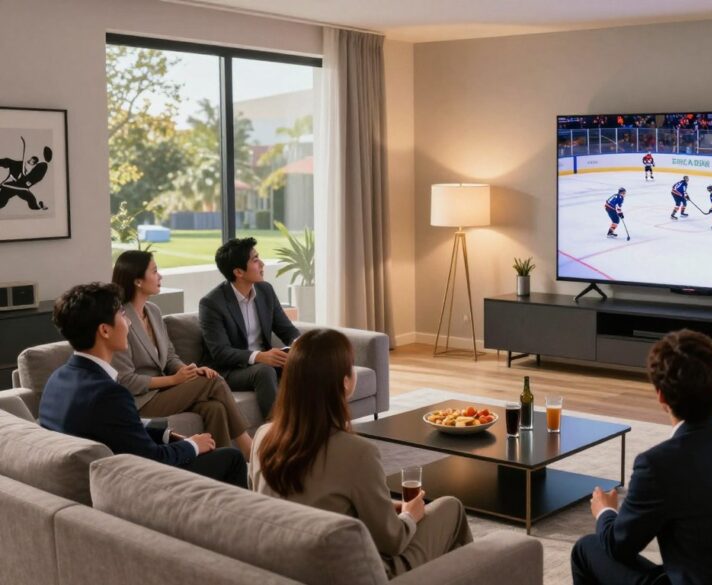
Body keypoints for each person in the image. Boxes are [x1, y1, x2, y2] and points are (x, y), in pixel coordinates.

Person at [250, 329, 472, 577]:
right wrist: (410, 515)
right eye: (353, 366)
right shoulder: (358, 453)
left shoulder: (262, 437)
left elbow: (310, 499)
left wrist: (384, 506)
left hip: (288, 567)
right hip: (356, 574)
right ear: (345, 383)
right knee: (451, 508)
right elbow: (393, 541)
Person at [571, 330, 712, 585]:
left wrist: (605, 511)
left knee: (586, 549)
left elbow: (619, 546)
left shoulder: (657, 465)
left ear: (661, 396)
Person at [38, 283, 247, 488]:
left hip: (93, 479)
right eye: (122, 315)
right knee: (232, 458)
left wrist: (166, 435)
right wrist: (192, 445)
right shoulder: (109, 394)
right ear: (105, 330)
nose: (129, 323)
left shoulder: (57, 378)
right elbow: (153, 459)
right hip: (132, 487)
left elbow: (115, 426)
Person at [111, 250, 254, 461]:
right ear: (138, 281)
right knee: (213, 381)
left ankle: (223, 466)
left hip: (164, 391)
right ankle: (249, 449)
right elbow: (126, 381)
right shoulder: (120, 321)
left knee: (214, 408)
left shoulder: (153, 311)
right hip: (141, 401)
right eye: (155, 271)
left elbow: (169, 356)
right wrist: (174, 380)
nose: (160, 276)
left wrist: (188, 370)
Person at [199, 237, 300, 419]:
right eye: (255, 260)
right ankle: (276, 430)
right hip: (230, 370)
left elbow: (287, 330)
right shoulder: (211, 303)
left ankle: (315, 424)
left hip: (264, 362)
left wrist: (300, 345)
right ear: (238, 272)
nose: (262, 264)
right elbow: (220, 352)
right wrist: (259, 356)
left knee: (305, 362)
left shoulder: (265, 290)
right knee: (264, 370)